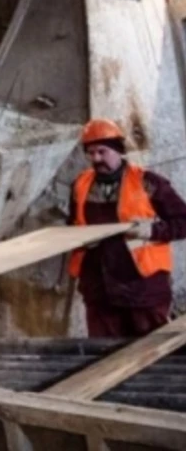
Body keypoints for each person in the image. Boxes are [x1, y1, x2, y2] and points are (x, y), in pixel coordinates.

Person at [67, 118, 186, 337]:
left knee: (150, 353)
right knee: (103, 356)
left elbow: (183, 222)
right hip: (100, 290)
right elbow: (72, 224)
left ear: (118, 150)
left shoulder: (148, 183)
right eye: (90, 153)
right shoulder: (80, 185)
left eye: (102, 152)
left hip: (143, 289)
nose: (96, 159)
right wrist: (79, 238)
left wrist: (152, 231)